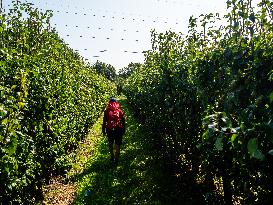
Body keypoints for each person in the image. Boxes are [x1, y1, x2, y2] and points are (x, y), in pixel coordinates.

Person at [102, 98, 125, 164]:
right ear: (116, 103)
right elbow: (123, 122)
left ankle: (112, 156)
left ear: (109, 103)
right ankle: (116, 160)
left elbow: (104, 122)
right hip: (118, 129)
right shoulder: (119, 111)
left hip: (109, 129)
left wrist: (103, 131)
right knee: (118, 145)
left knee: (110, 143)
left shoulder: (106, 111)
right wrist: (123, 130)